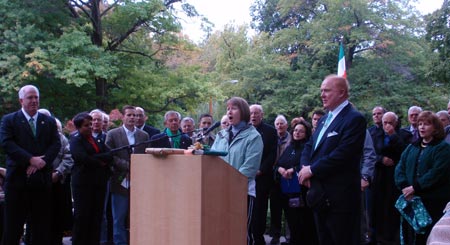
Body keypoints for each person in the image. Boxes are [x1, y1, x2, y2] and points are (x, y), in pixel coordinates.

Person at [298, 75, 366, 245]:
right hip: (319, 195)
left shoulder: (354, 118)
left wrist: (312, 170)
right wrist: (304, 168)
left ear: (342, 92)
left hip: (340, 199)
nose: (322, 95)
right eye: (321, 90)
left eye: (327, 90)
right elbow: (309, 146)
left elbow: (343, 154)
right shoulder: (324, 119)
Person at [0, 85, 61, 245]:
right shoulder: (9, 120)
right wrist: (30, 159)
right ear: (21, 100)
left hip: (41, 183)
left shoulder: (48, 121)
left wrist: (42, 161)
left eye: (36, 97)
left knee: (41, 229)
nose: (34, 101)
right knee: (13, 229)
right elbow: (7, 143)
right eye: (30, 97)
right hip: (17, 183)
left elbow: (55, 144)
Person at [211, 97, 263, 245]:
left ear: (244, 112)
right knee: (221, 230)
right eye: (228, 109)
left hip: (242, 193)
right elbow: (212, 160)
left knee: (239, 232)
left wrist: (228, 183)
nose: (229, 112)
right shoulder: (221, 135)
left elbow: (249, 168)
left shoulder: (254, 137)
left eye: (233, 108)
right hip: (219, 191)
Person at [395, 111, 450, 245]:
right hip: (411, 200)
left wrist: (415, 187)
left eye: (426, 124)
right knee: (409, 236)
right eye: (420, 124)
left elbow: (437, 172)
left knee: (427, 238)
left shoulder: (443, 148)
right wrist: (404, 187)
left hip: (432, 202)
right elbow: (399, 168)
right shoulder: (411, 147)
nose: (422, 127)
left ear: (435, 128)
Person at [106, 106, 149, 245]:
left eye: (135, 115)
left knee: (138, 217)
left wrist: (138, 168)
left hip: (139, 183)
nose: (133, 118)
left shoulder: (144, 136)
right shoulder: (112, 134)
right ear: (123, 117)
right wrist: (128, 166)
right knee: (119, 217)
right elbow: (109, 155)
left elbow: (146, 157)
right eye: (129, 115)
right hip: (119, 181)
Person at [70, 112, 113, 245]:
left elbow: (109, 154)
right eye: (86, 125)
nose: (90, 127)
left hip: (98, 183)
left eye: (90, 124)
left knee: (96, 217)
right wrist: (99, 161)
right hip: (83, 185)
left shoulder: (96, 139)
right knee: (83, 217)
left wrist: (97, 159)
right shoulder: (76, 140)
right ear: (79, 127)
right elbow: (82, 158)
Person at [274, 120, 317, 245]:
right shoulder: (290, 147)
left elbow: (308, 165)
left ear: (306, 134)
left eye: (301, 131)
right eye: (296, 130)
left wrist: (293, 169)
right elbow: (278, 164)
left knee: (303, 221)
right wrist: (280, 169)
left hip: (301, 191)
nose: (297, 133)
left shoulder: (308, 148)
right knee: (291, 221)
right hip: (287, 191)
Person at [38, 109, 75, 245]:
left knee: (57, 217)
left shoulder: (60, 138)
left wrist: (58, 172)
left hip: (58, 182)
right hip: (38, 182)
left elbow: (69, 157)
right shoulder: (32, 137)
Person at [371, 111, 406, 244]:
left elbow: (404, 151)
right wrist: (381, 159)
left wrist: (393, 136)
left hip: (394, 177)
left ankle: (394, 238)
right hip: (379, 176)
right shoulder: (375, 134)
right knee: (378, 208)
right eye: (385, 122)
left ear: (396, 123)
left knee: (392, 208)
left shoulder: (403, 135)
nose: (387, 125)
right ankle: (378, 237)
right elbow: (369, 153)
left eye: (390, 123)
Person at [249, 104, 278, 245]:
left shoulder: (271, 132)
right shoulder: (244, 130)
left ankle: (259, 238)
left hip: (262, 177)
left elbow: (273, 154)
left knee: (259, 209)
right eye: (251, 113)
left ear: (262, 115)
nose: (253, 116)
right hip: (245, 177)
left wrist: (260, 170)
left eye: (256, 113)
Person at [270, 115, 291, 243]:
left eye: (281, 123)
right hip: (274, 176)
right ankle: (275, 235)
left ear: (286, 125)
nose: (279, 126)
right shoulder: (272, 138)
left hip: (288, 175)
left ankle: (290, 236)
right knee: (275, 207)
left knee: (290, 207)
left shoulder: (292, 138)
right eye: (277, 124)